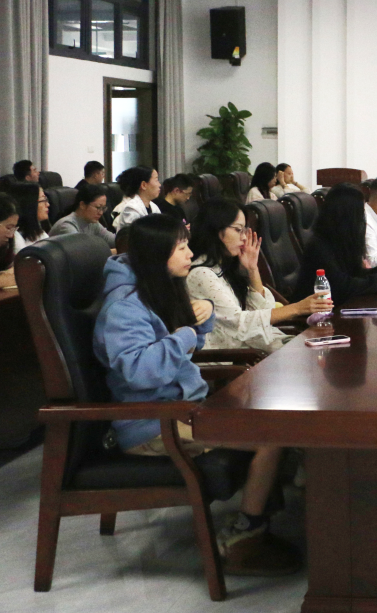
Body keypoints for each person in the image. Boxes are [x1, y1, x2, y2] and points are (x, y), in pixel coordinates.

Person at [92, 214, 300, 575]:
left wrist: (201, 320)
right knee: (272, 436)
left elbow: (187, 345)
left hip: (183, 407)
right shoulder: (124, 308)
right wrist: (188, 331)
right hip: (153, 423)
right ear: (157, 254)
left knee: (280, 416)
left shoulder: (157, 287)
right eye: (181, 247)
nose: (190, 254)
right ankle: (241, 540)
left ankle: (264, 520)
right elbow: (142, 371)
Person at [186, 199, 332, 352]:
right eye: (238, 230)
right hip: (237, 357)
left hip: (254, 349)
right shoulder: (201, 274)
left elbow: (264, 311)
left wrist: (252, 269)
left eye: (244, 230)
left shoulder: (223, 267)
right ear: (215, 229)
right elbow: (240, 323)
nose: (244, 237)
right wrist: (297, 308)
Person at [297, 184, 377, 302]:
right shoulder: (319, 246)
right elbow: (344, 287)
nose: (363, 218)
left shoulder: (342, 238)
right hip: (317, 311)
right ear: (348, 215)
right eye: (361, 212)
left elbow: (356, 273)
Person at [50, 183, 117, 249]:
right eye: (98, 207)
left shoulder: (92, 223)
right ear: (82, 205)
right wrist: (113, 251)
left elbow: (114, 241)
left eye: (103, 208)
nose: (101, 213)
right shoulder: (66, 226)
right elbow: (82, 252)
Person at [9, 182, 50, 251]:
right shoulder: (15, 238)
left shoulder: (39, 233)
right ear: (30, 204)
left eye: (46, 199)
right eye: (43, 200)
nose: (47, 204)